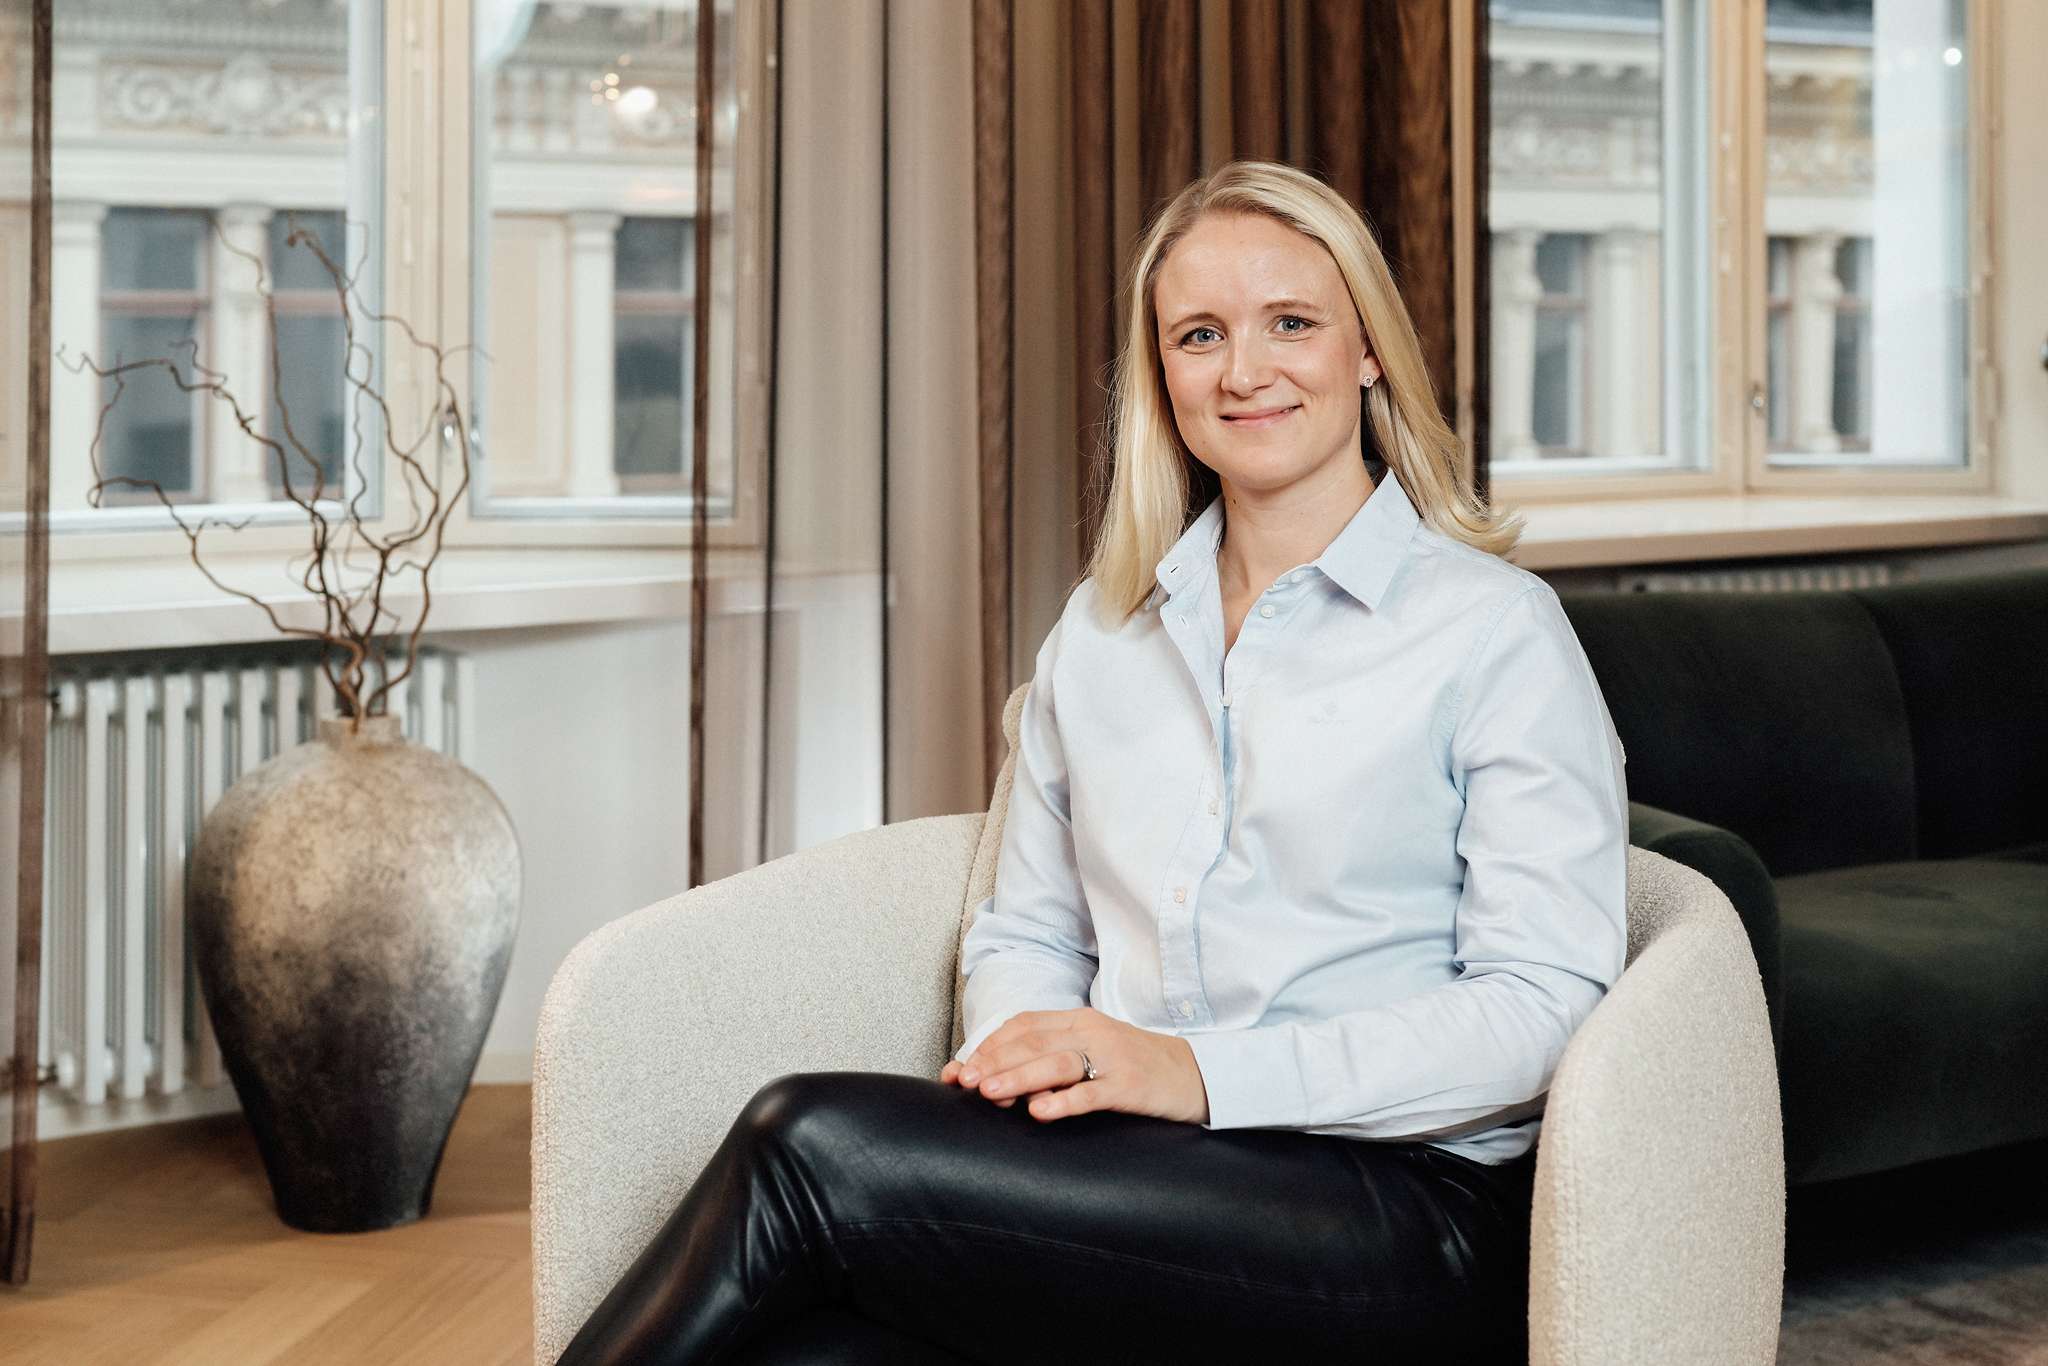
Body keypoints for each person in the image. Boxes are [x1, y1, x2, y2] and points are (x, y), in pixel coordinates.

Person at [557, 160, 1628, 1365]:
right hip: (1139, 1171)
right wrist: (1036, 1064)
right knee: (806, 1350)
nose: (1243, 371)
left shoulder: (1492, 631)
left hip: (1405, 1210)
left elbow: (1539, 1008)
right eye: (1198, 335)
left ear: (1368, 350)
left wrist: (1192, 1073)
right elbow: (1029, 929)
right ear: (1161, 375)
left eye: (1290, 322)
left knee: (807, 1142)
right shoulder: (1102, 631)